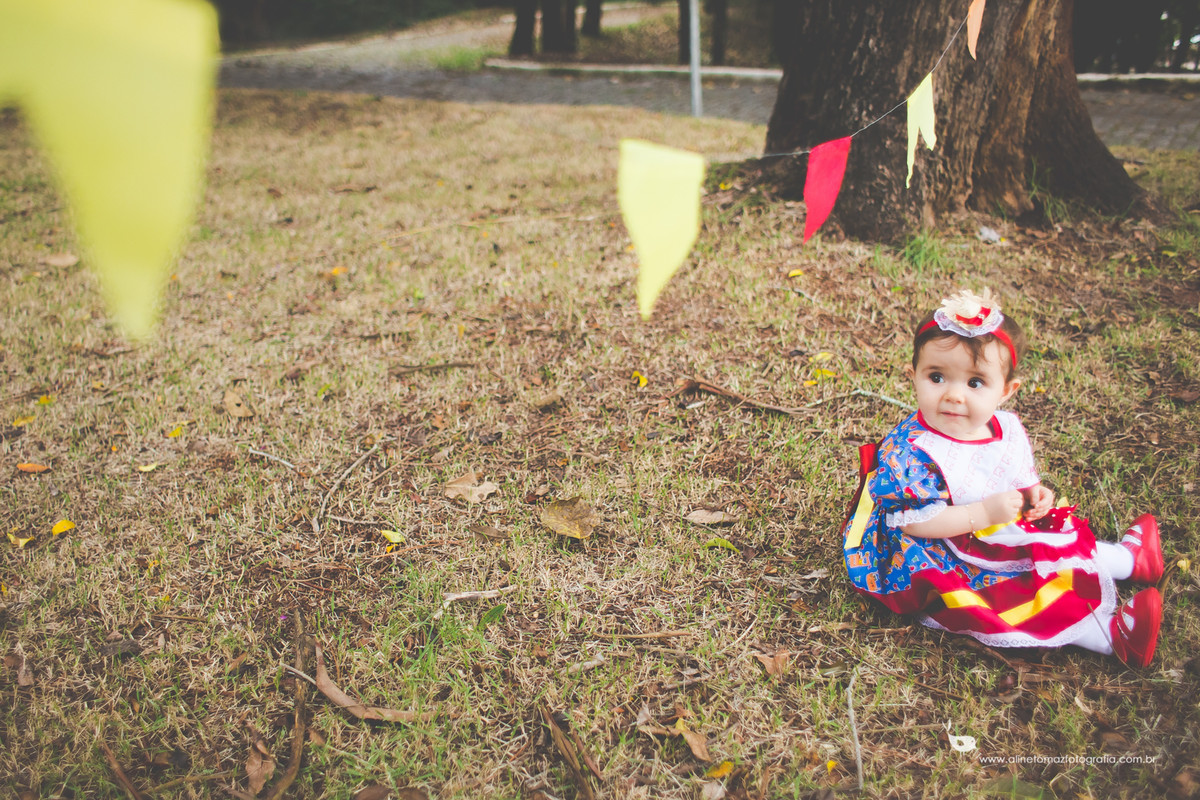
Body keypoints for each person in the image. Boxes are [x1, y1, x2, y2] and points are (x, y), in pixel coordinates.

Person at [841, 289, 1164, 666]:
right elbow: (915, 523)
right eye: (937, 377)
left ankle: (1128, 561)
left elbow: (1014, 474)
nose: (954, 395)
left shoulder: (1004, 427)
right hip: (936, 543)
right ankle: (1110, 636)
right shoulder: (910, 451)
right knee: (1006, 592)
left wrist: (1034, 494)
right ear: (913, 376)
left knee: (1050, 537)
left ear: (1006, 391)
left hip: (992, 519)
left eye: (975, 382)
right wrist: (983, 514)